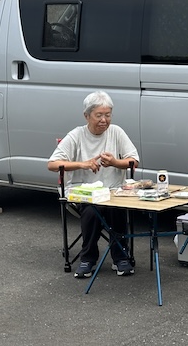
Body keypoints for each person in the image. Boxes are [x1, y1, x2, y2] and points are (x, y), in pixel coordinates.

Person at [48, 91, 140, 278]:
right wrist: (82, 164)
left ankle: (121, 256)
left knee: (116, 207)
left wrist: (115, 162)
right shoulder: (76, 135)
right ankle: (87, 258)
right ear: (87, 116)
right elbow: (52, 164)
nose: (104, 120)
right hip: (84, 192)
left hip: (113, 191)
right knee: (92, 209)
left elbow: (134, 161)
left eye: (108, 115)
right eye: (99, 115)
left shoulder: (117, 132)